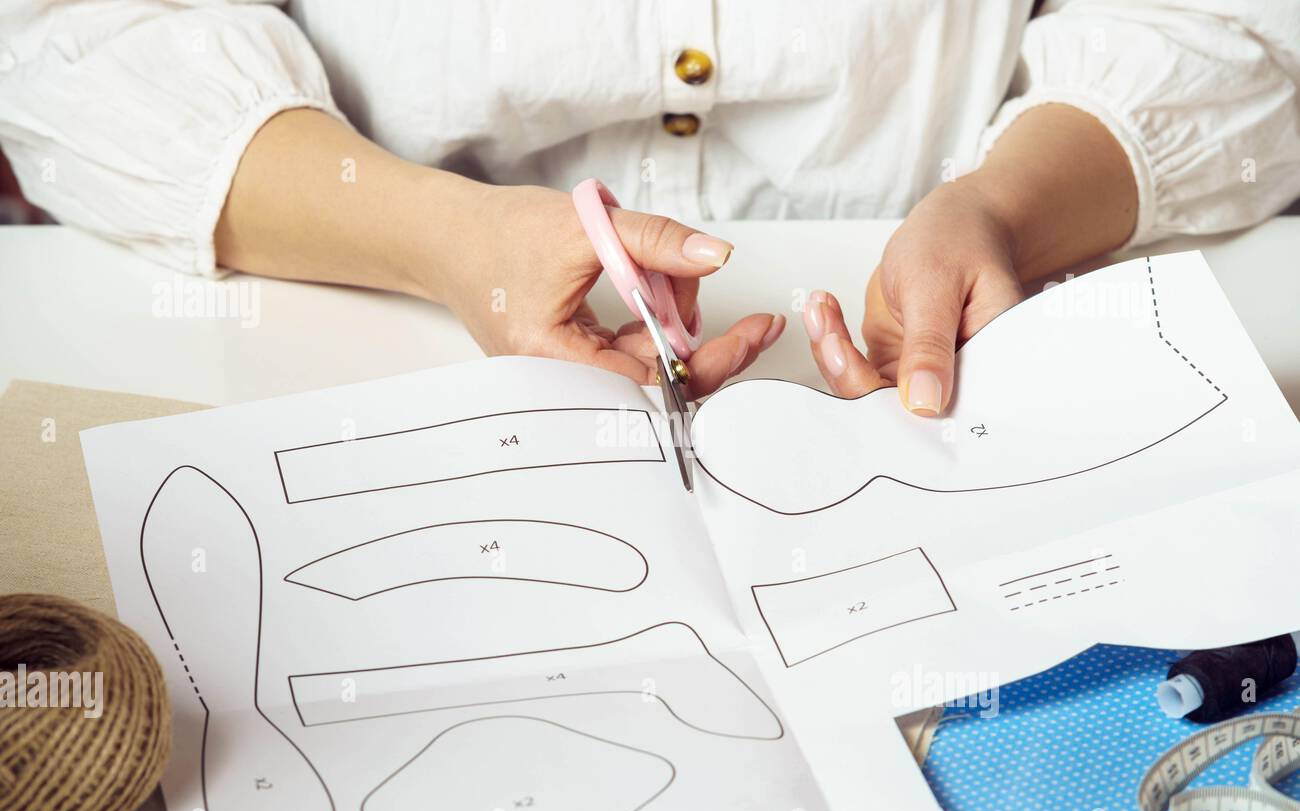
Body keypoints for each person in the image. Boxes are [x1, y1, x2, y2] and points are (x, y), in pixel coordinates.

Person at [3, 1, 1297, 409]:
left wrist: (1006, 208)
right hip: (348, 314)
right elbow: (65, 40)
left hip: (951, 349)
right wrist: (447, 241)